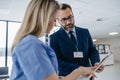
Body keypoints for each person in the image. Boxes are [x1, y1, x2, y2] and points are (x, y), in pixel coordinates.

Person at [10, 0, 96, 80]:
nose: (54, 24)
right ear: (45, 18)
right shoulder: (30, 44)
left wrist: (80, 71)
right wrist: (79, 71)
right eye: (54, 19)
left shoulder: (30, 42)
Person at [50, 3, 104, 77]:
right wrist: (80, 70)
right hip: (68, 76)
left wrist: (96, 62)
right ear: (58, 20)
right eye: (64, 19)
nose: (68, 22)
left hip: (88, 76)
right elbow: (57, 61)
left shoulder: (85, 32)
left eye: (70, 17)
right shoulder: (54, 38)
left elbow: (92, 50)